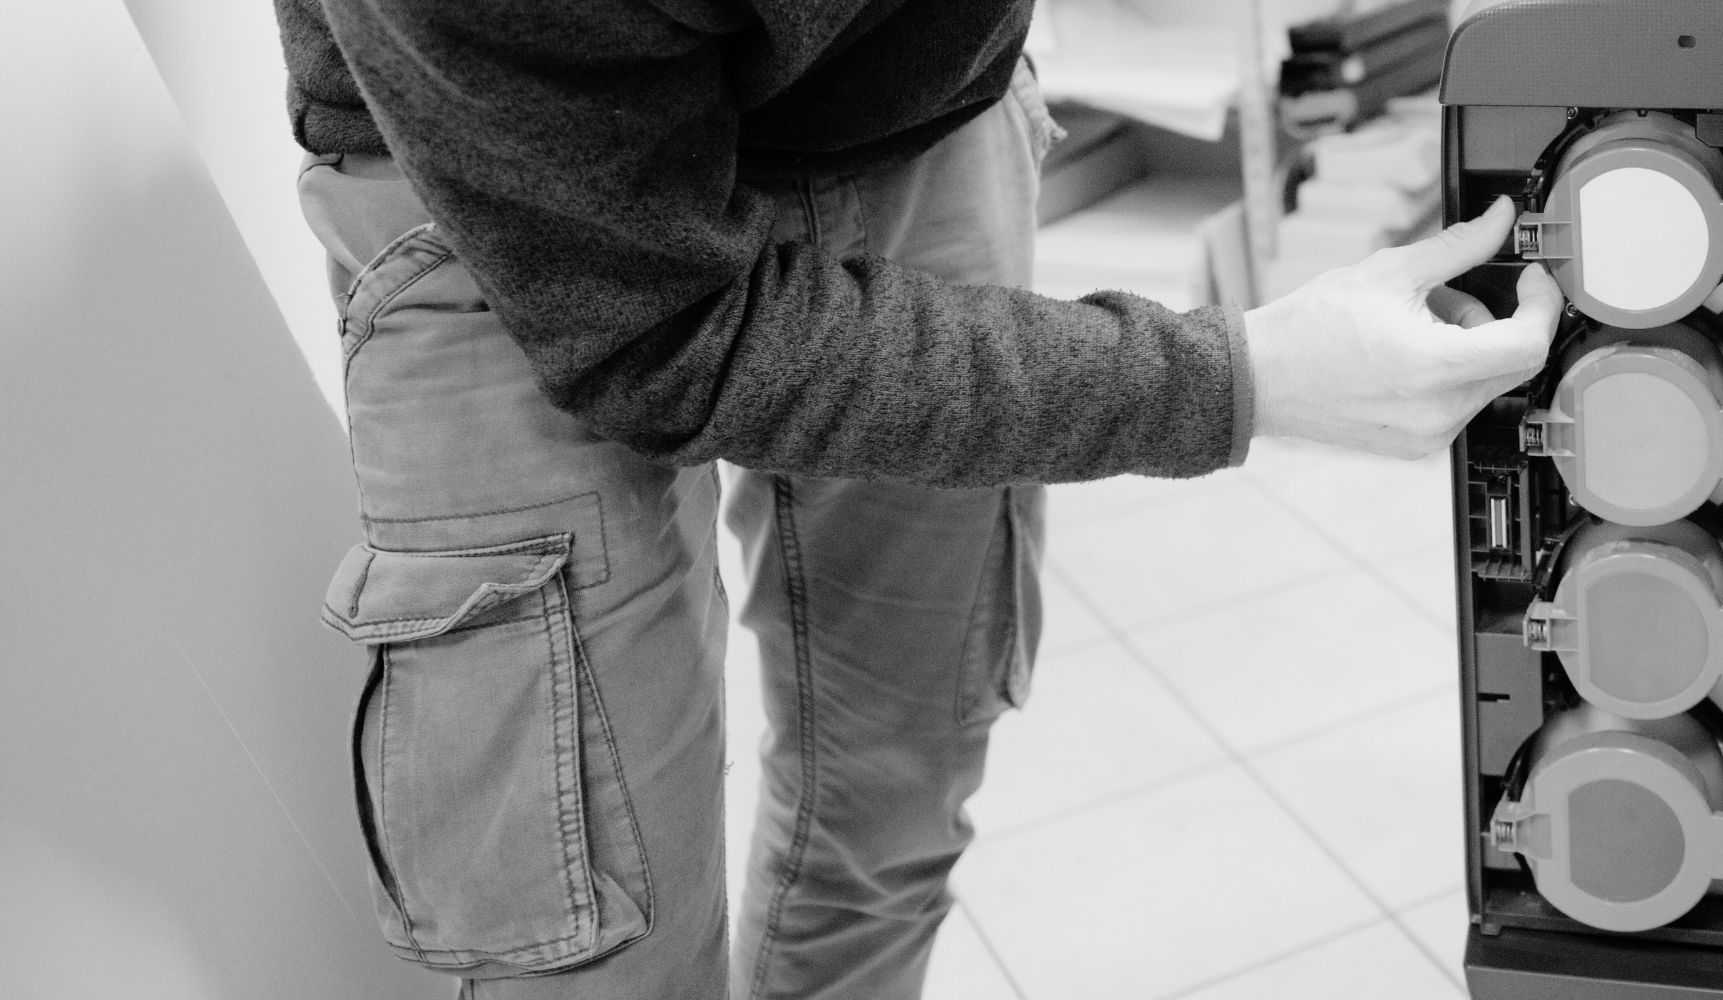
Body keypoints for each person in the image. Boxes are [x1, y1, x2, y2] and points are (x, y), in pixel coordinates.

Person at [278, 1, 1558, 997]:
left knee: (891, 807)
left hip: (916, 114)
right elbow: (664, 336)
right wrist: (1243, 381)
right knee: (599, 936)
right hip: (499, 188)